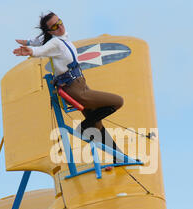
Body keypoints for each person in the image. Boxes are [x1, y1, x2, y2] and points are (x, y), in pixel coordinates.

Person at [13, 12, 124, 161]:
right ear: (50, 31)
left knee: (97, 124)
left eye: (60, 22)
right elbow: (42, 50)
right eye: (54, 26)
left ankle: (119, 157)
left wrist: (28, 42)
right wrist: (31, 51)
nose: (60, 27)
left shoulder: (60, 38)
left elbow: (40, 42)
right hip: (75, 89)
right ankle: (84, 126)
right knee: (117, 101)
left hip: (80, 84)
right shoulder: (55, 43)